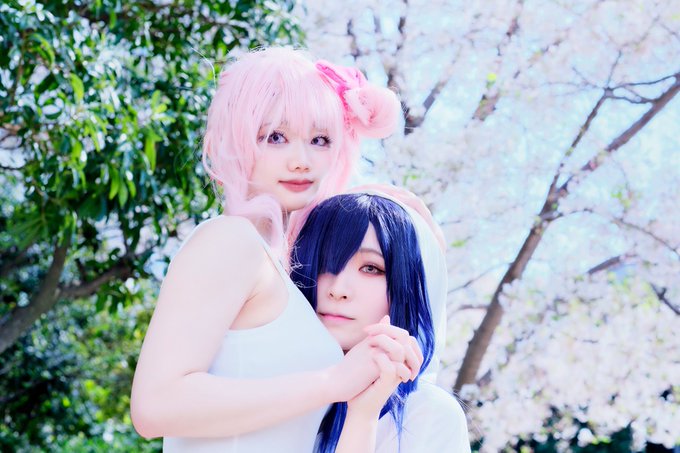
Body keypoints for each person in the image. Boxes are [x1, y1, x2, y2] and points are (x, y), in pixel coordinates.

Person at [129, 47, 418, 452]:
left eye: (320, 140)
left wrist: (362, 407)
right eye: (275, 137)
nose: (301, 161)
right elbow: (155, 405)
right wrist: (331, 382)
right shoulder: (231, 240)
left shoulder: (276, 268)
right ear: (234, 140)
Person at [291, 192, 471, 452]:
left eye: (371, 268)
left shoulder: (428, 416)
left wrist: (362, 416)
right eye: (325, 262)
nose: (338, 289)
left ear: (404, 288)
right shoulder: (270, 385)